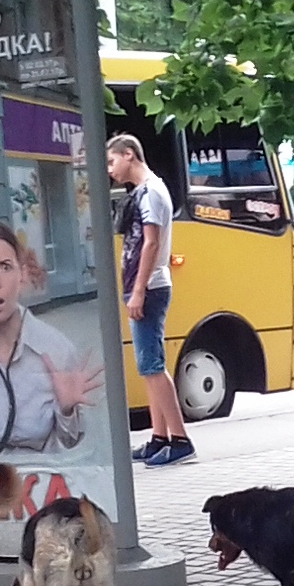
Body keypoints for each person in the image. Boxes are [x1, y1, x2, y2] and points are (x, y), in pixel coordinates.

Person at [0, 221, 103, 454]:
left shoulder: (56, 348)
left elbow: (72, 446)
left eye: (6, 267)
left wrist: (67, 411)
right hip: (0, 486)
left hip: (49, 484)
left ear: (22, 275)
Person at [106, 134, 194, 467]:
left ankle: (180, 439)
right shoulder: (145, 192)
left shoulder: (152, 193)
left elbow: (151, 243)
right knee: (148, 365)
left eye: (113, 162)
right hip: (144, 286)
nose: (110, 170)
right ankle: (159, 437)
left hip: (151, 287)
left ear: (129, 155)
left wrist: (139, 289)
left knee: (153, 367)